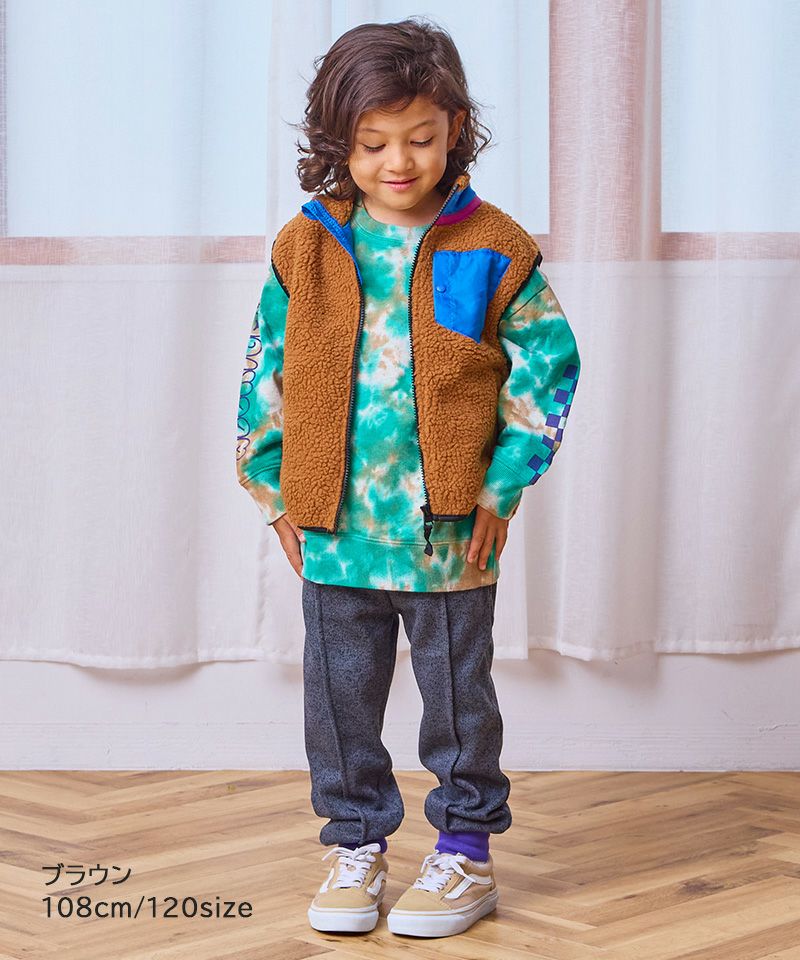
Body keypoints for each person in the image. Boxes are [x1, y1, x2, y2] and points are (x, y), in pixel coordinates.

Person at [235, 16, 580, 939]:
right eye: (373, 143)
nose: (399, 162)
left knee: (459, 706)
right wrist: (272, 491)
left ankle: (465, 853)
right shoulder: (306, 245)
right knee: (339, 706)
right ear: (336, 142)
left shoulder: (494, 244)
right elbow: (265, 370)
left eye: (421, 138)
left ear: (455, 127)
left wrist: (503, 485)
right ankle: (355, 844)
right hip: (334, 526)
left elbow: (548, 367)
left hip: (447, 531)